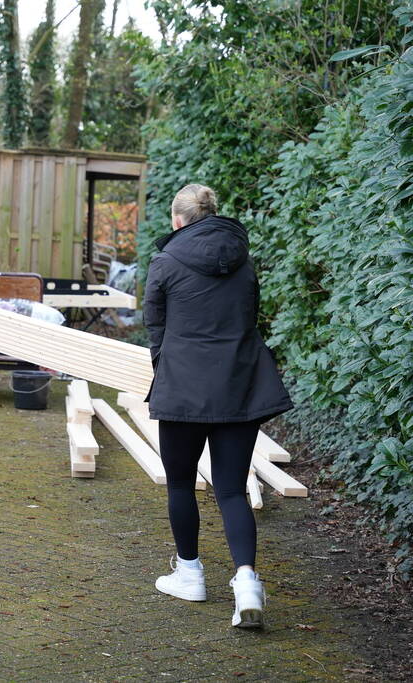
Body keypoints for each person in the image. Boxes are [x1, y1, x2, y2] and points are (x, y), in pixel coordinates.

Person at [143, 183, 293, 629]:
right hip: (238, 388)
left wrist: (166, 369)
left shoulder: (166, 261)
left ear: (177, 219)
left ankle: (190, 574)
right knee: (231, 490)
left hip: (184, 389)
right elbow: (250, 317)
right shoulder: (243, 262)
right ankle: (247, 583)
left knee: (180, 485)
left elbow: (157, 327)